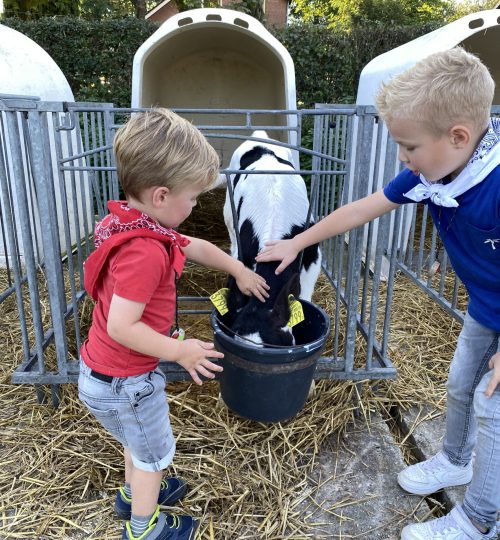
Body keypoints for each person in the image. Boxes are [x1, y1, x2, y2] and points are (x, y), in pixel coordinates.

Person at [256, 47, 500, 540]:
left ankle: (481, 518)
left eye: (408, 146)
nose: (401, 158)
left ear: (458, 137)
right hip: (487, 308)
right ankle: (455, 460)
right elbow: (363, 208)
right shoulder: (432, 172)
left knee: (491, 407)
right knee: (459, 384)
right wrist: (298, 241)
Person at [78, 108, 269, 540]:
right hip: (128, 383)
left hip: (104, 376)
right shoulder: (145, 251)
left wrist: (238, 269)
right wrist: (179, 351)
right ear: (162, 196)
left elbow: (195, 244)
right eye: (194, 197)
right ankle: (145, 527)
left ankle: (134, 495)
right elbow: (122, 327)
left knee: (137, 443)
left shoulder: (131, 220)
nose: (197, 204)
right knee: (152, 456)